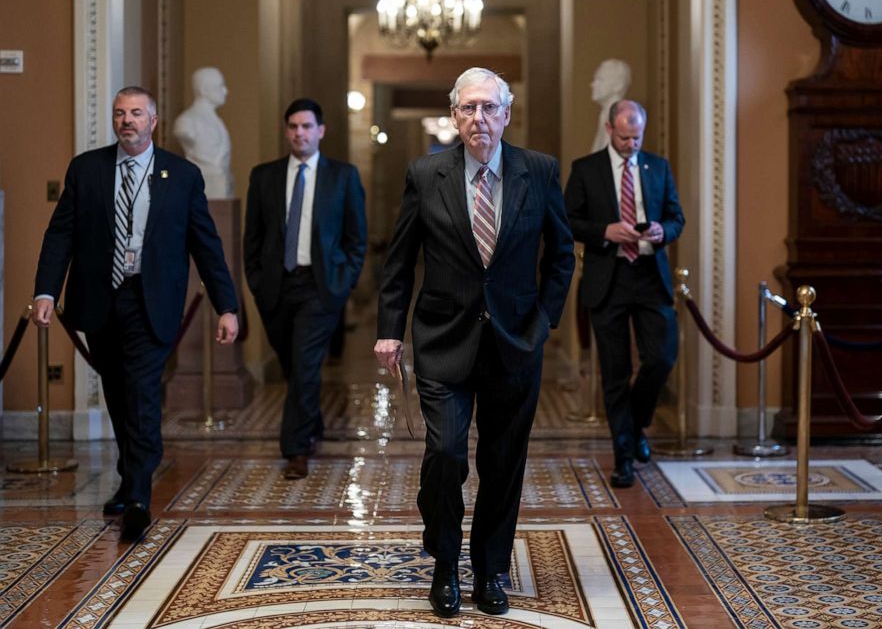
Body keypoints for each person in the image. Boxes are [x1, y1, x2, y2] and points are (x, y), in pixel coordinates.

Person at [375, 68, 574, 618]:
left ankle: (490, 569)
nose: (478, 119)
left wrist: (543, 322)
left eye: (488, 108)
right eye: (468, 109)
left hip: (515, 342)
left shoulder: (538, 171)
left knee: (503, 460)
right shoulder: (425, 173)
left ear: (506, 114)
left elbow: (561, 255)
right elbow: (398, 262)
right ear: (455, 115)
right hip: (443, 340)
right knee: (444, 454)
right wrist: (390, 329)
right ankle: (444, 565)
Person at [33, 86, 239, 540]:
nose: (127, 121)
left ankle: (140, 497)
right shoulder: (86, 170)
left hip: (153, 300)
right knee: (118, 393)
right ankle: (130, 478)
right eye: (120, 113)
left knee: (144, 393)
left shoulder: (182, 176)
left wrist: (227, 306)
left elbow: (206, 245)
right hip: (101, 299)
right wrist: (46, 291)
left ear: (154, 121)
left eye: (136, 114)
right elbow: (60, 235)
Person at [244, 98, 367, 481]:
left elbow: (356, 239)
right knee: (292, 365)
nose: (300, 133)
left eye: (306, 126)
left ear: (321, 131)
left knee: (305, 364)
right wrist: (258, 281)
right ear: (287, 131)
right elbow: (253, 237)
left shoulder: (342, 176)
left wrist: (342, 283)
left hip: (320, 287)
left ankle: (296, 449)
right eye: (293, 127)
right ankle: (311, 423)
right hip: (277, 288)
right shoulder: (264, 176)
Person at [564, 99, 684, 489]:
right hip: (608, 277)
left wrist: (663, 231)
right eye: (625, 136)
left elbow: (675, 216)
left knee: (661, 359)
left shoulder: (658, 166)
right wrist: (605, 231)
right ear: (609, 129)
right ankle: (623, 458)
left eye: (638, 137)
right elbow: (568, 220)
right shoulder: (586, 169)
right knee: (614, 374)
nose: (632, 143)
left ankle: (633, 427)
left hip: (651, 275)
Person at [173, 67, 234, 199]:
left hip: (220, 184)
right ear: (204, 90)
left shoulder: (217, 121)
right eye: (220, 86)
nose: (226, 91)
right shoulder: (186, 122)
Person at [589, 59, 631, 153]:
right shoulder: (606, 113)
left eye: (600, 79)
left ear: (618, 85)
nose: (593, 84)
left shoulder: (618, 118)